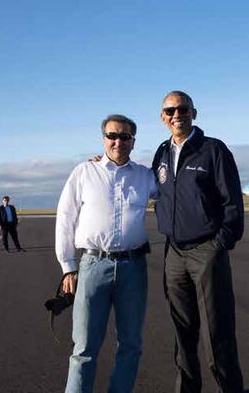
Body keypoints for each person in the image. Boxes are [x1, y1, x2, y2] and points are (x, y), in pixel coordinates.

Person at [55, 114, 157, 393]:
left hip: (133, 267)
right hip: (92, 265)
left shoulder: (144, 176)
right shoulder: (84, 172)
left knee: (131, 345)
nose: (118, 142)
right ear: (103, 139)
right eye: (112, 136)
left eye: (125, 137)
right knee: (84, 347)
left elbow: (174, 193)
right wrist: (67, 265)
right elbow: (65, 217)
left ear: (133, 142)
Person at [152, 90, 245, 393]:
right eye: (170, 111)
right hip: (174, 253)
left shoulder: (213, 150)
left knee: (217, 331)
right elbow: (148, 187)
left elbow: (232, 202)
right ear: (162, 117)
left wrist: (220, 243)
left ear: (194, 113)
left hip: (207, 250)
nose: (176, 114)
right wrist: (106, 164)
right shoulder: (162, 153)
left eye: (182, 109)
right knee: (182, 332)